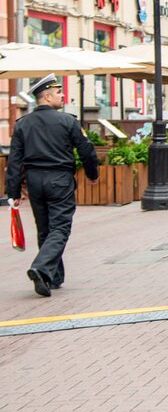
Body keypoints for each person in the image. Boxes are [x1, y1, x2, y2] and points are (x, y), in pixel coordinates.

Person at [6, 74, 99, 297]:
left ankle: (52, 278)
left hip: (35, 181)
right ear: (47, 96)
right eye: (59, 92)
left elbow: (14, 161)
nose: (63, 95)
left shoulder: (22, 124)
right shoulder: (67, 121)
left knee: (45, 229)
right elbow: (86, 150)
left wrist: (14, 192)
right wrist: (92, 173)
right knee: (60, 228)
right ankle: (41, 268)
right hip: (59, 180)